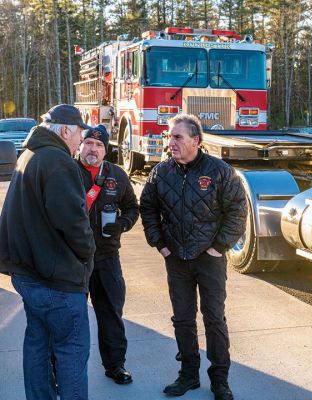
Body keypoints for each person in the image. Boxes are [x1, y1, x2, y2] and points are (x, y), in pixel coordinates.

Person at [140, 114, 248, 400]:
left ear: (195, 141)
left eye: (177, 137)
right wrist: (160, 244)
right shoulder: (160, 172)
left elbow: (237, 210)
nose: (170, 142)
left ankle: (220, 380)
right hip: (176, 258)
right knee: (183, 320)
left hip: (209, 258)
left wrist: (218, 247)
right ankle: (188, 375)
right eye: (169, 136)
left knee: (214, 319)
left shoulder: (219, 171)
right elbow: (148, 208)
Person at [0, 104, 96, 400]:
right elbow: (73, 223)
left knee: (38, 345)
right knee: (72, 352)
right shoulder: (58, 160)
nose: (81, 139)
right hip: (56, 281)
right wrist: (87, 255)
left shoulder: (30, 154)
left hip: (28, 275)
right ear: (66, 130)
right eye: (80, 132)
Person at [77, 125, 139, 384]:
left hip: (107, 257)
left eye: (99, 145)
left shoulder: (117, 175)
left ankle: (116, 366)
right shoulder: (67, 172)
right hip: (74, 259)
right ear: (80, 145)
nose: (93, 149)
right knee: (70, 318)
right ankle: (63, 369)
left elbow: (132, 208)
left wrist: (122, 225)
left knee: (111, 313)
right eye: (89, 143)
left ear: (106, 150)